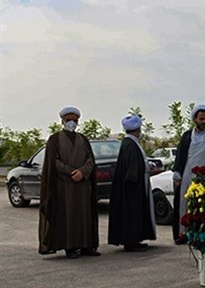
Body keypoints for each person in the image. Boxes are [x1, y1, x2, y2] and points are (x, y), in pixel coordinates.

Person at [38, 106, 101, 259]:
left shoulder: (83, 139)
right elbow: (54, 162)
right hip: (64, 185)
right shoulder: (54, 139)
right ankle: (70, 246)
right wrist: (71, 172)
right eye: (69, 120)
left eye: (74, 120)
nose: (72, 122)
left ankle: (86, 245)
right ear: (62, 121)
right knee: (68, 216)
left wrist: (82, 172)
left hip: (83, 184)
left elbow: (90, 159)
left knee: (85, 215)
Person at [171, 104, 205, 245]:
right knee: (184, 204)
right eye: (201, 119)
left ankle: (204, 234)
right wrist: (177, 174)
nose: (204, 122)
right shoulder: (187, 136)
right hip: (188, 174)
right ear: (195, 119)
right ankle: (183, 233)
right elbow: (180, 156)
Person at [108, 114, 156, 252]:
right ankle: (131, 242)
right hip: (133, 186)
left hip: (135, 184)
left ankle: (136, 239)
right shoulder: (130, 144)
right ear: (137, 129)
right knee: (132, 214)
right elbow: (132, 166)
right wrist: (133, 184)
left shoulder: (130, 143)